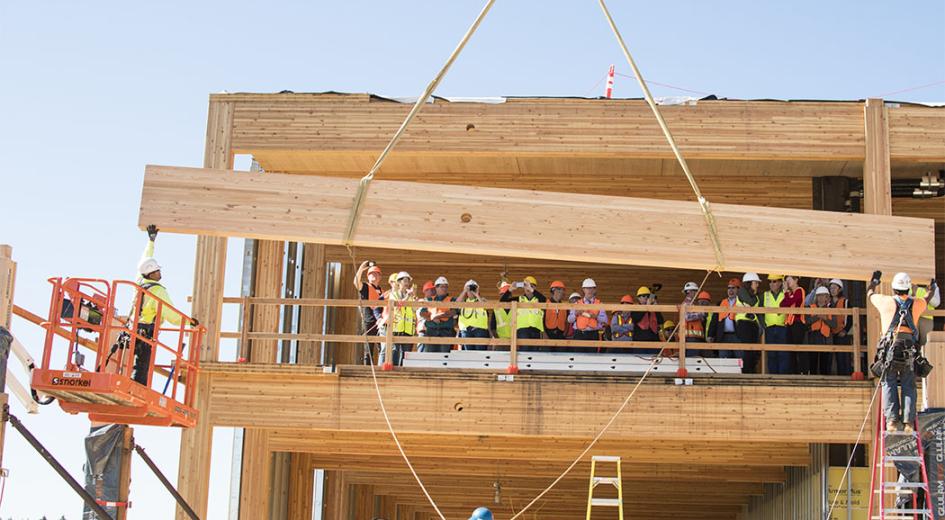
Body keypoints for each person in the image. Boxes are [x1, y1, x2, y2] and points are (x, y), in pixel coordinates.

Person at [132, 225, 195, 386]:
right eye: (158, 271)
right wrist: (190, 323)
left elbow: (145, 258)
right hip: (146, 329)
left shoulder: (140, 281)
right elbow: (171, 315)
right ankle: (138, 388)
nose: (160, 273)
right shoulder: (158, 292)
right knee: (143, 363)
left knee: (136, 359)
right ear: (152, 273)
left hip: (133, 327)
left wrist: (151, 241)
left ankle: (135, 384)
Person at [869, 271, 927, 432]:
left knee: (889, 382)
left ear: (894, 288)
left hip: (890, 349)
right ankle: (908, 422)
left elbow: (870, 293)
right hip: (909, 348)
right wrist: (932, 286)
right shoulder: (917, 303)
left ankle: (892, 421)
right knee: (908, 383)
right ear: (908, 289)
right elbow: (929, 297)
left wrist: (874, 281)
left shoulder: (885, 301)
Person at [379, 272, 416, 366]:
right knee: (394, 352)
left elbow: (414, 310)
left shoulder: (411, 296)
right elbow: (398, 305)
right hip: (396, 328)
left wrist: (414, 298)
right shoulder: (393, 294)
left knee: (406, 353)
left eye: (408, 281)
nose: (407, 283)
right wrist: (408, 296)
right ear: (399, 282)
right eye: (405, 280)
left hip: (408, 329)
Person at [499, 275, 546, 351]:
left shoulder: (539, 299)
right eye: (526, 286)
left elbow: (544, 300)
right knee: (525, 352)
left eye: (531, 286)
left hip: (536, 330)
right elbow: (502, 301)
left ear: (534, 288)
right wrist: (510, 290)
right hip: (522, 330)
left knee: (535, 353)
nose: (527, 288)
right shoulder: (519, 299)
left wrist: (531, 289)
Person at [353, 261, 384, 363]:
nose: (374, 275)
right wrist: (361, 268)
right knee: (368, 350)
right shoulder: (366, 287)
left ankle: (380, 368)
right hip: (369, 321)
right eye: (371, 274)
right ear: (368, 277)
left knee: (382, 348)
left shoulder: (382, 291)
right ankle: (367, 370)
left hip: (380, 322)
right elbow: (356, 283)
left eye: (376, 274)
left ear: (380, 277)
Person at [761, 275, 791, 374]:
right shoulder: (765, 294)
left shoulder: (785, 294)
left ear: (780, 283)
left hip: (782, 327)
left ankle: (782, 376)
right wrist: (762, 324)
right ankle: (773, 376)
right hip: (769, 328)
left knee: (783, 353)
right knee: (771, 354)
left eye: (774, 281)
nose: (771, 284)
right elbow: (759, 310)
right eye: (770, 282)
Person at [417, 276, 456, 353]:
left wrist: (437, 316)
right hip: (431, 332)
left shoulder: (452, 299)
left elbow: (452, 312)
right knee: (430, 356)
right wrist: (432, 317)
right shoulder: (430, 299)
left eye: (446, 287)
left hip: (446, 332)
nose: (444, 289)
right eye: (442, 287)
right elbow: (422, 313)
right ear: (436, 288)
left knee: (444, 356)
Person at [735, 273, 763, 373]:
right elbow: (750, 302)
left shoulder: (756, 295)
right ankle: (747, 371)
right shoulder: (742, 291)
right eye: (756, 282)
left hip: (752, 324)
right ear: (749, 282)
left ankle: (751, 371)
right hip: (744, 324)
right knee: (747, 350)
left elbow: (752, 306)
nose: (757, 285)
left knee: (753, 351)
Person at [806, 286, 838, 375]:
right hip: (813, 338)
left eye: (823, 296)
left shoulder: (831, 310)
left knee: (825, 364)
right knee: (813, 363)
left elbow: (834, 325)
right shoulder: (810, 307)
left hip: (826, 339)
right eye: (819, 296)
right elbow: (807, 322)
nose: (821, 298)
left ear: (827, 297)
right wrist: (817, 317)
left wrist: (825, 318)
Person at [708, 279, 742, 361]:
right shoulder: (721, 303)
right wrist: (710, 334)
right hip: (723, 336)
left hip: (737, 336)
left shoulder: (742, 303)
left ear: (738, 289)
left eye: (733, 288)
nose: (730, 290)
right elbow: (714, 320)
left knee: (740, 359)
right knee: (723, 360)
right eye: (729, 288)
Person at [780, 275, 808, 374]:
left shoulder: (800, 290)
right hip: (790, 324)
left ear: (796, 280)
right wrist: (787, 294)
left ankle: (803, 371)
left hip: (798, 323)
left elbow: (791, 301)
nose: (787, 283)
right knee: (790, 349)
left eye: (789, 280)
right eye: (786, 281)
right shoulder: (790, 293)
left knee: (798, 348)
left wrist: (786, 293)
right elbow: (782, 305)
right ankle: (794, 371)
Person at [568, 278, 607, 343]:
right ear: (583, 289)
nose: (590, 290)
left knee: (592, 353)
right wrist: (575, 314)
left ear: (595, 290)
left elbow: (605, 320)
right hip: (579, 335)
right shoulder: (576, 304)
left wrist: (596, 317)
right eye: (587, 288)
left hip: (593, 335)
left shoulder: (600, 304)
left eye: (591, 288)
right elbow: (569, 320)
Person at [827, 279, 853, 375]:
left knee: (843, 357)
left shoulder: (845, 302)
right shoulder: (828, 303)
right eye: (831, 288)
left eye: (834, 288)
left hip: (842, 333)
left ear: (840, 289)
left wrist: (845, 330)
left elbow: (850, 317)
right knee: (829, 357)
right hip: (830, 333)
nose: (832, 290)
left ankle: (845, 375)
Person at [457, 280, 490, 350]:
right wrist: (464, 291)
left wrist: (477, 294)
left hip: (480, 330)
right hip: (466, 330)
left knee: (480, 353)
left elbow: (486, 307)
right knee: (468, 354)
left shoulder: (482, 300)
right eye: (469, 289)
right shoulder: (463, 302)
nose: (471, 291)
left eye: (473, 288)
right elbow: (455, 304)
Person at [631, 286, 662, 354]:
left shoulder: (653, 308)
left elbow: (661, 321)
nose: (646, 298)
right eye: (644, 296)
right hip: (640, 342)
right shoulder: (635, 308)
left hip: (654, 341)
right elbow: (636, 318)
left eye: (648, 296)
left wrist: (657, 309)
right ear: (638, 298)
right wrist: (646, 307)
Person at [911, 279, 941, 347]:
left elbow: (936, 303)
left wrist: (929, 292)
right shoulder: (910, 284)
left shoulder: (934, 287)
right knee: (912, 341)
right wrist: (913, 293)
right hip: (913, 317)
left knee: (925, 343)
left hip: (927, 318)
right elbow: (906, 300)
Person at [684, 290, 712, 357]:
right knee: (693, 358)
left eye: (704, 302)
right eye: (701, 302)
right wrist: (701, 314)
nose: (702, 304)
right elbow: (687, 317)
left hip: (704, 340)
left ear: (708, 303)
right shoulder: (694, 310)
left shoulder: (712, 313)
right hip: (693, 338)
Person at [491, 282, 513, 348]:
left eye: (505, 294)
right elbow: (492, 328)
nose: (504, 297)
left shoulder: (516, 309)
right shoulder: (496, 309)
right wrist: (499, 341)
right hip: (499, 342)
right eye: (502, 294)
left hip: (513, 341)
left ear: (510, 296)